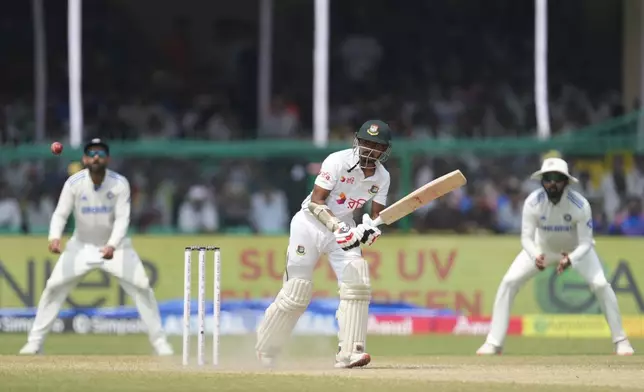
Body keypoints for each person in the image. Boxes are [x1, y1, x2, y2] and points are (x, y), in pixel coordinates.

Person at [255, 120, 392, 368]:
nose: (370, 149)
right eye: (366, 142)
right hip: (309, 224)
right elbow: (316, 202)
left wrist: (370, 230)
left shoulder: (382, 177)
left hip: (343, 225)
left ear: (385, 150)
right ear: (357, 142)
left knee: (358, 278)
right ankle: (267, 346)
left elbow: (375, 217)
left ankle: (350, 351)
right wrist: (338, 228)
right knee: (297, 291)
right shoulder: (337, 161)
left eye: (377, 145)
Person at [19, 139, 173, 356]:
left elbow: (122, 220)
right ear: (84, 159)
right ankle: (35, 343)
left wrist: (111, 245)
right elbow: (61, 213)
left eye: (101, 153)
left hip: (116, 247)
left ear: (108, 159)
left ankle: (160, 343)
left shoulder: (120, 184)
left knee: (142, 287)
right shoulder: (74, 183)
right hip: (80, 246)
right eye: (91, 153)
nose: (96, 157)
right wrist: (54, 237)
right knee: (53, 288)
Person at [476, 158, 634, 356]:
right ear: (542, 181)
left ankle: (621, 341)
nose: (552, 183)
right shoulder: (533, 202)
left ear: (566, 182)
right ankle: (494, 343)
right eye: (547, 178)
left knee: (601, 285)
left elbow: (586, 242)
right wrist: (535, 256)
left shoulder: (580, 205)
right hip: (541, 249)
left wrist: (571, 259)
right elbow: (526, 238)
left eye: (557, 179)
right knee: (509, 282)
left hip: (576, 251)